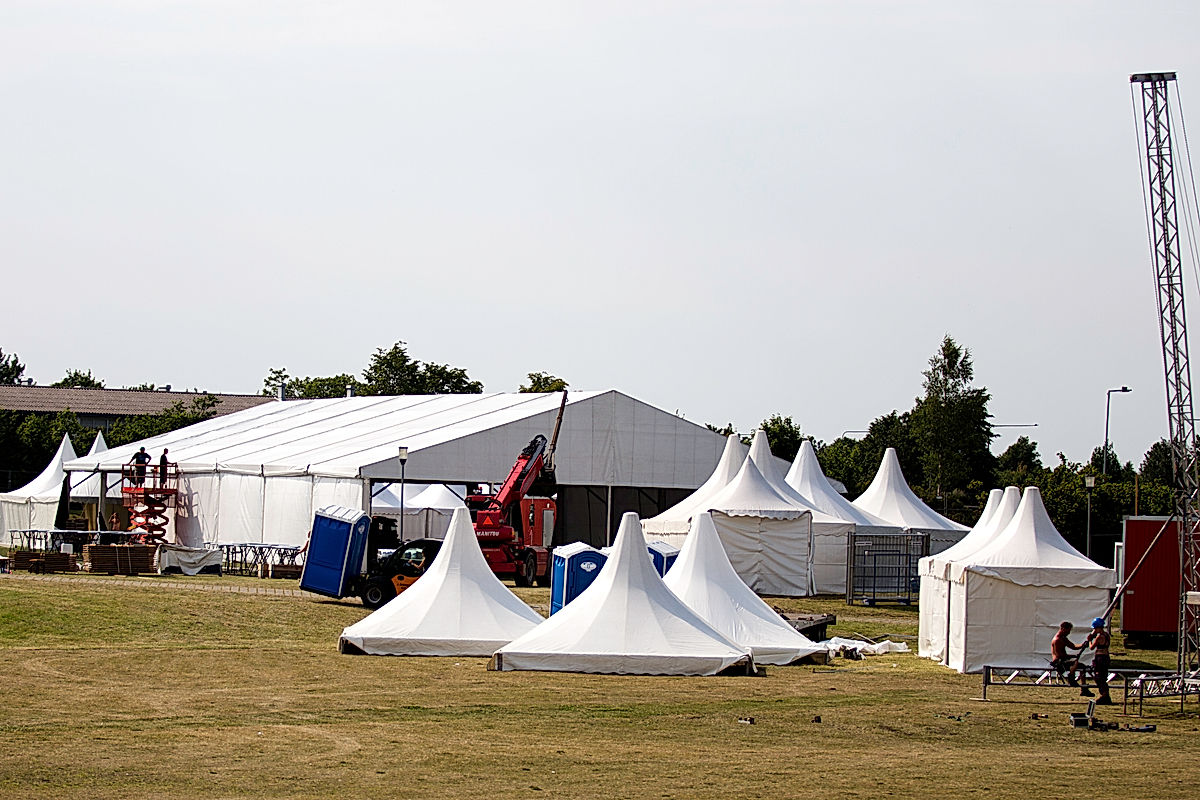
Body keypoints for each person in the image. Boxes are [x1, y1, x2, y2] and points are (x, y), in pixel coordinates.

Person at [1050, 621, 1093, 697]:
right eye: (1068, 631)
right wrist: (1072, 657)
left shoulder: (1063, 638)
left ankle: (1084, 688)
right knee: (1078, 664)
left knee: (1082, 666)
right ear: (1063, 629)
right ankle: (1071, 678)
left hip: (1064, 660)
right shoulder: (1057, 640)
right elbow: (1059, 655)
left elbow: (1073, 646)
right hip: (1059, 663)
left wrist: (1082, 645)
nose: (1069, 633)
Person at [1085, 617, 1113, 705]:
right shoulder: (1106, 635)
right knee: (1103, 677)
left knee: (1099, 677)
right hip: (1106, 657)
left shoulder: (1099, 637)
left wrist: (1089, 640)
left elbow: (1091, 647)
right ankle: (1106, 695)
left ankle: (1104, 695)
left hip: (1100, 658)